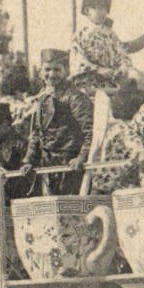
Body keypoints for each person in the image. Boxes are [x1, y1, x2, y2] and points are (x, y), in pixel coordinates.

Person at [70, 0, 144, 105]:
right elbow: (78, 61)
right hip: (88, 82)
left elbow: (122, 54)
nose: (102, 13)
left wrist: (122, 68)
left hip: (112, 81)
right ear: (87, 10)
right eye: (97, 9)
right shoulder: (80, 34)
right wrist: (99, 70)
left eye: (104, 9)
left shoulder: (110, 34)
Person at [24, 48, 93, 191]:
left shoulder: (76, 97)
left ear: (66, 71)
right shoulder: (42, 98)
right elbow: (36, 132)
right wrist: (29, 161)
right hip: (48, 166)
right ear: (41, 72)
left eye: (57, 69)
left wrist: (81, 157)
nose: (51, 74)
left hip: (70, 165)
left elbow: (90, 132)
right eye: (47, 69)